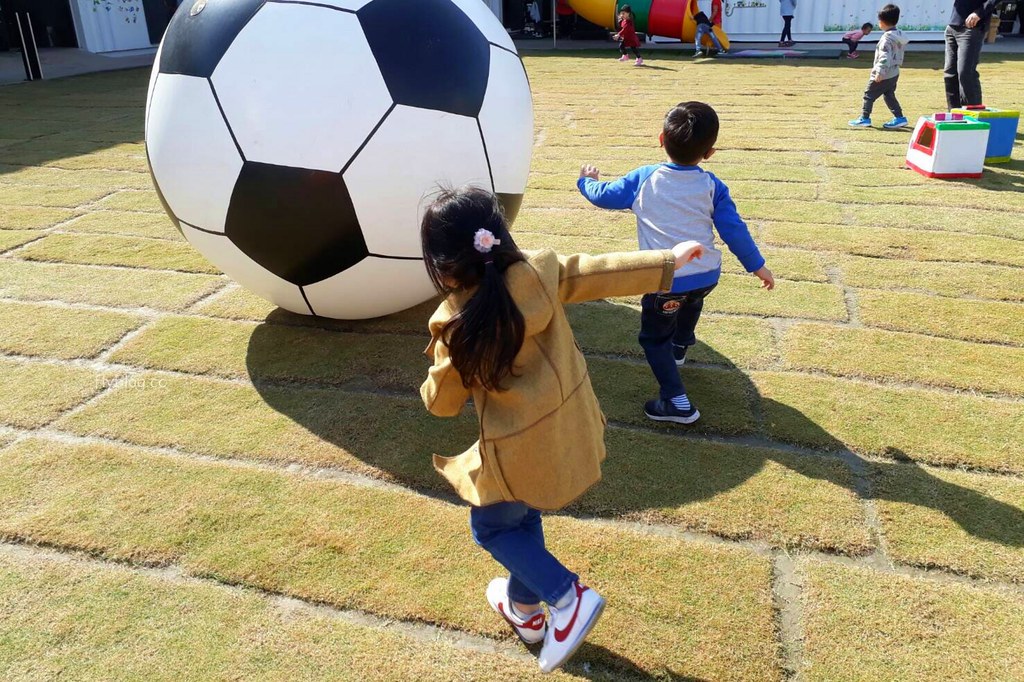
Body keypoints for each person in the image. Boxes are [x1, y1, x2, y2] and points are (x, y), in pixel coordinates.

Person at [420, 187, 704, 673]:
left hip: (515, 449)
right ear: (499, 236)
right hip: (569, 423)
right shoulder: (539, 270)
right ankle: (525, 611)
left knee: (490, 526)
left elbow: (442, 405)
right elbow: (592, 271)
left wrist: (439, 365)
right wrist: (666, 261)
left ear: (445, 264)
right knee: (522, 520)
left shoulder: (457, 323)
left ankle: (566, 597)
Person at [577, 102, 774, 425]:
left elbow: (604, 196)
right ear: (710, 152)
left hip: (665, 278)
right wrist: (757, 266)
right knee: (690, 302)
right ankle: (681, 345)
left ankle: (677, 402)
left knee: (654, 338)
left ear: (660, 139)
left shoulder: (645, 178)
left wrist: (587, 181)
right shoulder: (712, 186)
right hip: (707, 274)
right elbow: (734, 230)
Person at [849, 5, 909, 129]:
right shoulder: (898, 34)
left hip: (885, 73)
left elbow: (884, 56)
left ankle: (864, 118)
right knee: (889, 94)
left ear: (882, 22)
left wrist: (879, 72)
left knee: (868, 94)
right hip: (894, 72)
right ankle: (899, 118)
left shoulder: (886, 39)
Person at [945, 0, 1000, 108]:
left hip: (972, 28)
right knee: (950, 74)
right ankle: (954, 115)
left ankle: (974, 115)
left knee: (966, 73)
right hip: (953, 25)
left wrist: (979, 13)